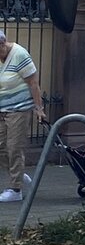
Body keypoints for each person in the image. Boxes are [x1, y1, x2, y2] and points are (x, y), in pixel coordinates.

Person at [0, 29, 47, 202]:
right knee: (1, 147)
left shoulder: (19, 54)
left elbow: (34, 83)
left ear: (3, 44)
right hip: (2, 109)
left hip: (18, 109)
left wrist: (39, 108)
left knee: (14, 147)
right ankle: (18, 174)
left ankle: (15, 189)